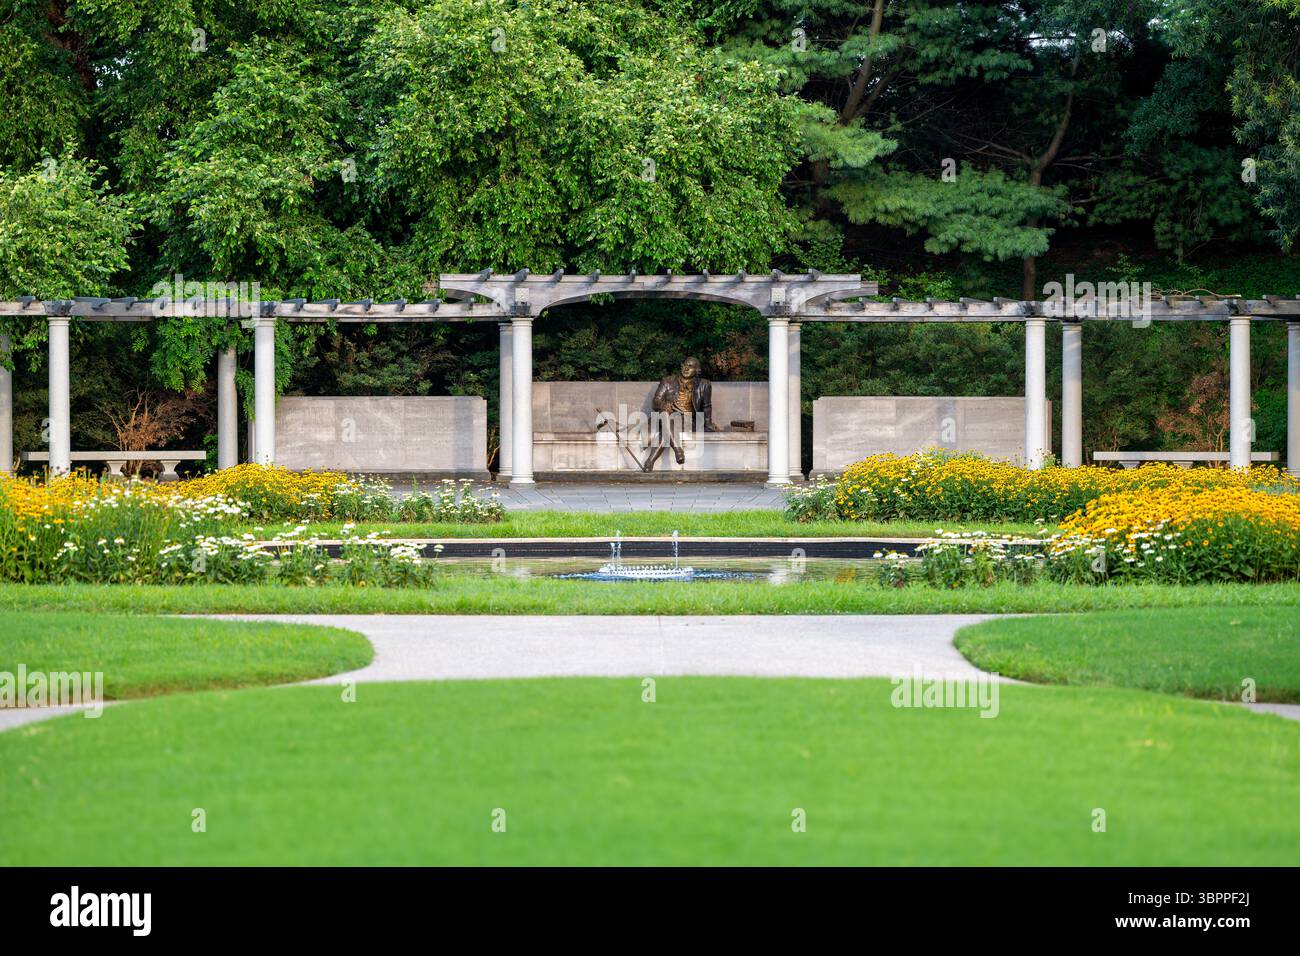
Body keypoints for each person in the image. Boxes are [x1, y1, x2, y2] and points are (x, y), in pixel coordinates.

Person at [643, 357, 719, 469]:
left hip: (686, 421)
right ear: (682, 365)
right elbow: (656, 401)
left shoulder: (704, 385)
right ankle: (678, 450)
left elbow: (706, 406)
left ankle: (650, 462)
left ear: (697, 370)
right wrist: (664, 406)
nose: (686, 368)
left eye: (691, 366)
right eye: (685, 365)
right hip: (665, 415)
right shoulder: (667, 381)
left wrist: (708, 424)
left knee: (667, 429)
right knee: (666, 417)